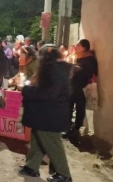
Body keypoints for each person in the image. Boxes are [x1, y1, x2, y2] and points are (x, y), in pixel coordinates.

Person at [20, 44, 73, 182]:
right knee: (37, 141)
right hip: (43, 113)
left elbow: (48, 93)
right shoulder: (53, 68)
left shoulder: (54, 70)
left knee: (52, 144)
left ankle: (64, 174)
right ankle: (31, 167)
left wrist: (26, 90)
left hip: (50, 114)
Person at [67, 39, 98, 137]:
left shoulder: (89, 59)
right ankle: (68, 127)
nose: (75, 47)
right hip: (73, 86)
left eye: (78, 45)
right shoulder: (77, 57)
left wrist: (77, 70)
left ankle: (76, 129)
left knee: (80, 108)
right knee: (69, 106)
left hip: (81, 87)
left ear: (84, 48)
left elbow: (90, 73)